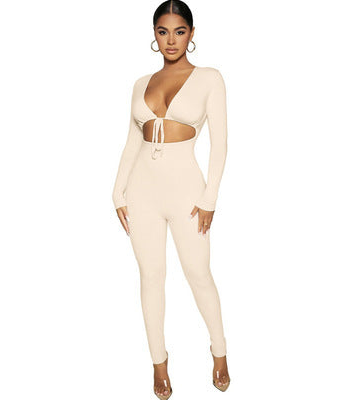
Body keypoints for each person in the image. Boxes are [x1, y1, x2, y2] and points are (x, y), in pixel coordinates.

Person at [112, 1, 230, 398]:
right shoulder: (139, 83)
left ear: (191, 34)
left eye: (179, 31)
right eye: (163, 32)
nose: (171, 40)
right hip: (140, 192)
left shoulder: (210, 78)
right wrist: (117, 191)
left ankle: (219, 352)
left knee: (198, 273)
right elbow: (132, 143)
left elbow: (220, 144)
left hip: (187, 192)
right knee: (150, 278)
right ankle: (159, 365)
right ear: (154, 35)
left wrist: (210, 198)